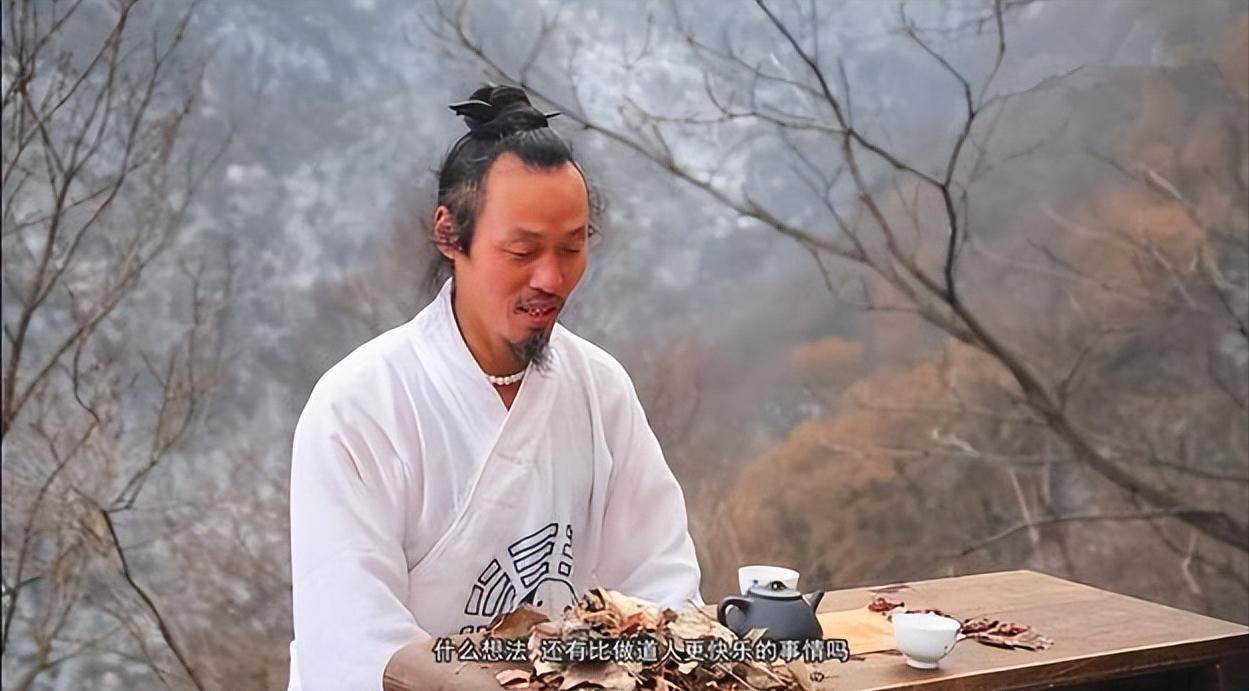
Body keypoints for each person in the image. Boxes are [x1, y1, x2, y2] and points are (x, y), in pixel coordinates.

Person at [287, 84, 703, 691]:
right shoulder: (358, 405)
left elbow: (659, 584)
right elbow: (350, 632)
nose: (551, 278)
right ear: (450, 234)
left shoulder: (600, 390)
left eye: (573, 247)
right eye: (523, 249)